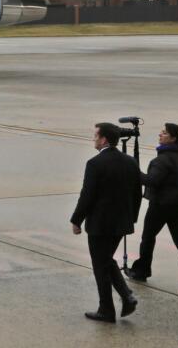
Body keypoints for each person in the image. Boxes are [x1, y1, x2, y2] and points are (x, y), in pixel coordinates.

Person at [71, 122, 142, 323]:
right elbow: (137, 194)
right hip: (121, 223)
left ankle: (107, 310)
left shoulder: (94, 164)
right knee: (106, 260)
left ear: (103, 139)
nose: (93, 139)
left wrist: (77, 220)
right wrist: (132, 217)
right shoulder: (130, 162)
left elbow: (87, 195)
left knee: (100, 265)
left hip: (100, 225)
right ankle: (127, 296)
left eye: (95, 136)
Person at [125, 123, 178, 291]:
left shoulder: (162, 159)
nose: (160, 134)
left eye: (164, 133)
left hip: (161, 205)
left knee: (148, 238)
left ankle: (142, 270)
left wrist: (133, 171)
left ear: (173, 138)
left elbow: (152, 181)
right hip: (176, 205)